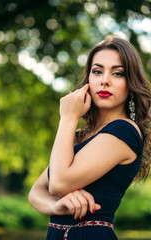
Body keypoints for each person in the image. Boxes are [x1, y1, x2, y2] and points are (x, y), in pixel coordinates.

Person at [28, 35, 151, 240]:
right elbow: (36, 192)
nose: (105, 80)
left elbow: (57, 184)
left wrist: (68, 117)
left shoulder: (124, 131)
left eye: (118, 73)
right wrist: (58, 205)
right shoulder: (80, 135)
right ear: (88, 80)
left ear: (130, 84)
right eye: (97, 71)